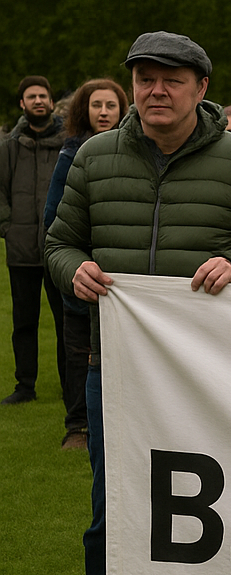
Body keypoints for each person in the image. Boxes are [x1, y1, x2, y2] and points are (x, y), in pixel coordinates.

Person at [45, 31, 231, 575]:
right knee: (112, 509)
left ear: (201, 89)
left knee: (210, 501)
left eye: (171, 79)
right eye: (145, 78)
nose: (156, 90)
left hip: (211, 371)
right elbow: (58, 243)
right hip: (117, 366)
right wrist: (77, 270)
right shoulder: (93, 157)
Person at [43, 79, 127, 449]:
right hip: (85, 271)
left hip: (124, 274)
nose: (104, 112)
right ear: (84, 110)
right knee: (79, 351)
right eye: (97, 105)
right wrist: (80, 260)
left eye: (111, 105)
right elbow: (54, 217)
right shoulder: (71, 153)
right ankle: (77, 426)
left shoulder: (132, 152)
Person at [1, 74, 66, 405]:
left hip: (60, 249)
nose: (38, 101)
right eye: (31, 97)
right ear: (22, 105)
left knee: (65, 324)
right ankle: (24, 386)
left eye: (43, 95)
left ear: (52, 102)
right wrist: (7, 226)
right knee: (24, 322)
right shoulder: (9, 147)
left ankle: (72, 388)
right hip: (21, 247)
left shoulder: (69, 144)